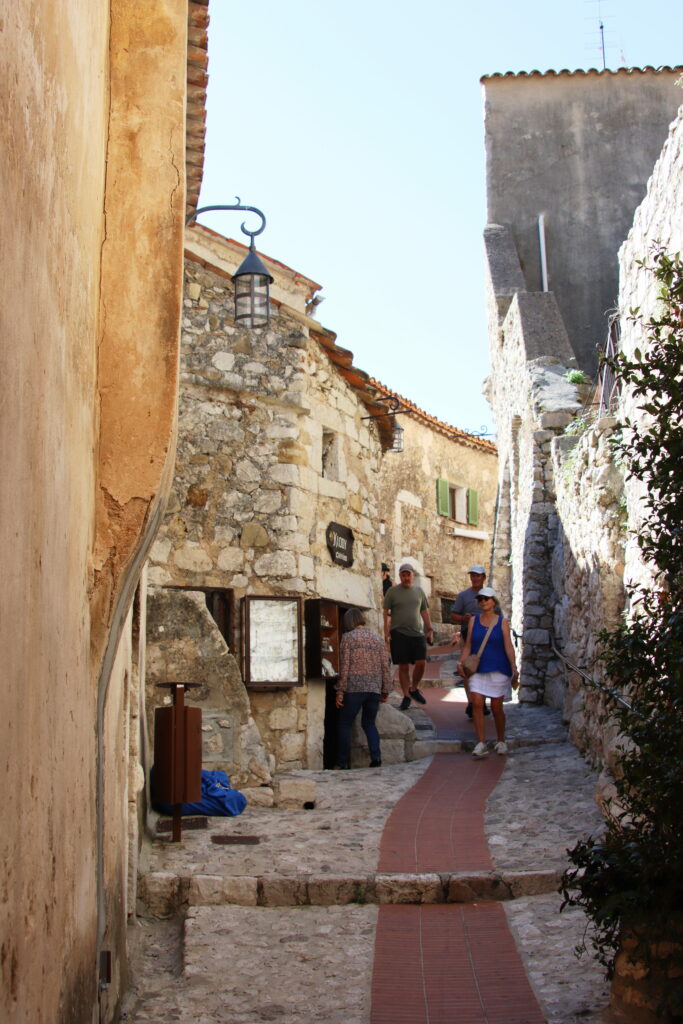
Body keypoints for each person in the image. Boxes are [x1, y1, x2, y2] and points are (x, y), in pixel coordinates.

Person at [458, 586, 519, 758]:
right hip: (478, 667)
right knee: (476, 703)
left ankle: (501, 740)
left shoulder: (502, 622)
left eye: (486, 599)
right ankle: (481, 742)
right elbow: (469, 645)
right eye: (480, 599)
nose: (483, 602)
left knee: (496, 707)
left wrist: (513, 665)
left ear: (493, 602)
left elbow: (508, 645)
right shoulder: (473, 621)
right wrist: (460, 662)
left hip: (498, 667)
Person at [335, 608, 391, 768]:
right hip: (373, 688)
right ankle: (376, 757)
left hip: (354, 688)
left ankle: (342, 762)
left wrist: (340, 690)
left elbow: (345, 665)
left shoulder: (348, 638)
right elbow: (385, 666)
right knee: (369, 723)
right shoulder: (377, 638)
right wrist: (385, 689)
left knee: (344, 723)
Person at [450, 565, 501, 718]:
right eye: (473, 575)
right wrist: (463, 618)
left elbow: (499, 616)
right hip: (469, 636)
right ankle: (472, 702)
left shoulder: (491, 595)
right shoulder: (463, 596)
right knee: (468, 669)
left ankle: (480, 701)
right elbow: (453, 615)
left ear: (483, 577)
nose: (475, 578)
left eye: (478, 576)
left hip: (487, 637)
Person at [383, 563, 433, 710]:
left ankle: (414, 688)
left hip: (417, 633)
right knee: (403, 666)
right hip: (398, 633)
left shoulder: (419, 591)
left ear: (413, 575)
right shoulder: (392, 591)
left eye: (408, 574)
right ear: (400, 576)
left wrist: (429, 629)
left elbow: (424, 611)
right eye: (403, 575)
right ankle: (406, 695)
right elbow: (385, 611)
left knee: (421, 662)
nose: (405, 577)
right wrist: (386, 631)